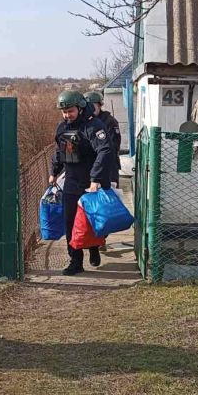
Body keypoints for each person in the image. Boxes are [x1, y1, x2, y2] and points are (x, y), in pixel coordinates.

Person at [49, 90, 113, 275]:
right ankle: (75, 261)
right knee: (71, 223)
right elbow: (60, 151)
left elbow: (105, 151)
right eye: (64, 112)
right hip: (72, 182)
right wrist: (54, 171)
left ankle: (94, 248)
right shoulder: (63, 128)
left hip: (92, 183)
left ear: (80, 107)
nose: (67, 115)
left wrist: (96, 179)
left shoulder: (93, 126)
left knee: (93, 221)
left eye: (70, 111)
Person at [85, 90, 122, 186]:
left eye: (93, 106)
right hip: (91, 166)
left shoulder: (109, 121)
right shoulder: (85, 122)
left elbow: (113, 146)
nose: (90, 109)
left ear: (99, 105)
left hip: (108, 166)